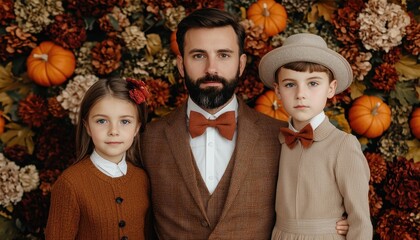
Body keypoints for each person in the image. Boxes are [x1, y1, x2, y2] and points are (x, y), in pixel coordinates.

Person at [141, 8, 349, 239]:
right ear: (181, 65)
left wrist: (335, 222)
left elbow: (313, 188)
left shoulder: (282, 136)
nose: (211, 68)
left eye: (224, 55)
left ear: (241, 64)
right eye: (199, 55)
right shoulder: (147, 138)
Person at [259, 33, 372, 239]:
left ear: (331, 88)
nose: (301, 94)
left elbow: (361, 221)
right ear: (277, 91)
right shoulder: (276, 140)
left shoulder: (343, 145)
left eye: (313, 83)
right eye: (290, 84)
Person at [45, 77, 152, 240]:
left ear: (137, 127)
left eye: (125, 121)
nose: (113, 131)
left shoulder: (142, 178)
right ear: (87, 126)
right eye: (102, 121)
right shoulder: (70, 184)